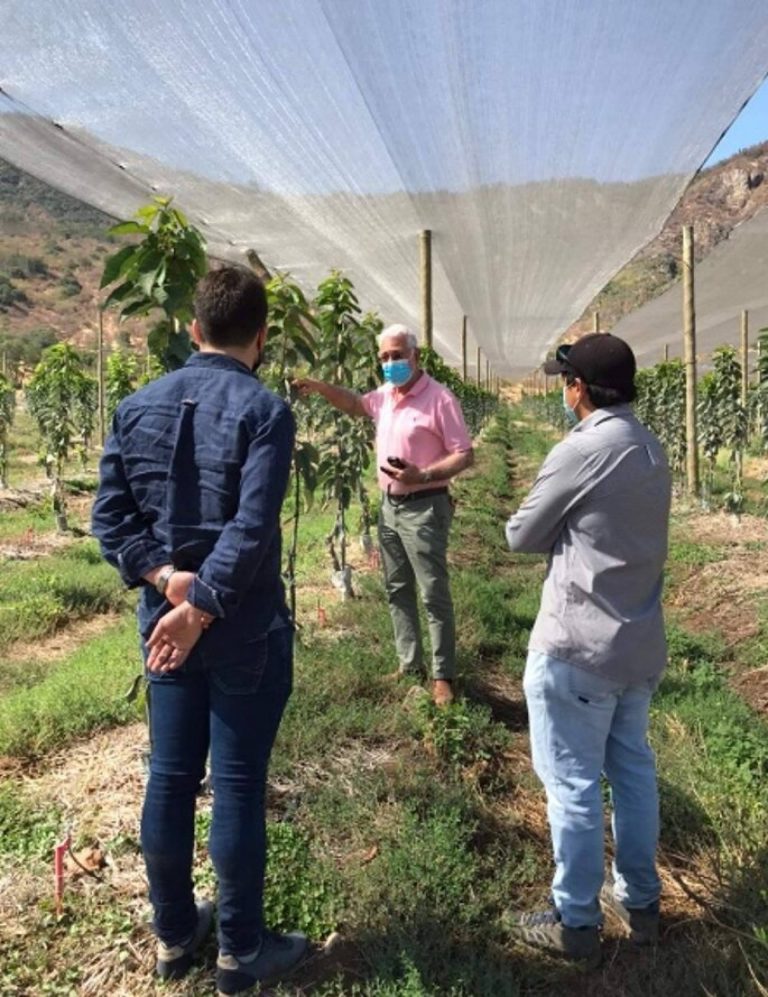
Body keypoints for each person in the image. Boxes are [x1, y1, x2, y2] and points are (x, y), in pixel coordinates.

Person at [92, 266, 308, 995]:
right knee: (239, 783)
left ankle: (175, 933)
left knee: (172, 776)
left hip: (164, 629)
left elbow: (110, 520)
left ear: (193, 328)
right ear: (261, 335)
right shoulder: (266, 410)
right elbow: (251, 527)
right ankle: (241, 951)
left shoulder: (135, 405)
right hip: (240, 627)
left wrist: (167, 584)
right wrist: (204, 603)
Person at [504, 333, 671, 967]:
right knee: (631, 771)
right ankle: (640, 902)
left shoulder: (583, 449)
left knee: (572, 784)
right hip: (637, 641)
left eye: (564, 380)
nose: (561, 389)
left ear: (578, 388)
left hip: (578, 645)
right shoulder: (650, 446)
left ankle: (575, 922)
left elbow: (521, 532)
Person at [295, 324, 474, 706]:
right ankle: (410, 663)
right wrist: (322, 387)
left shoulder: (440, 400)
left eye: (397, 355)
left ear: (415, 356)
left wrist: (423, 474)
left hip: (425, 505)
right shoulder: (385, 397)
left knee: (432, 592)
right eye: (385, 357)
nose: (391, 363)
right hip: (390, 507)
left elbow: (464, 453)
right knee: (396, 589)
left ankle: (443, 675)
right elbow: (355, 404)